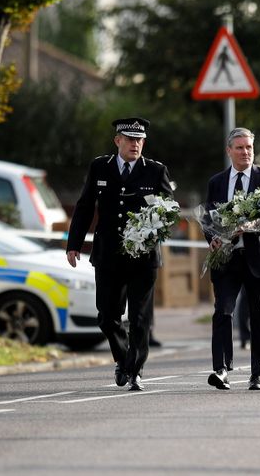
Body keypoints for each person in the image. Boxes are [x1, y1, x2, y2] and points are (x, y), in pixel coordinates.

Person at [66, 117, 174, 391]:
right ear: (118, 141)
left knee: (139, 318)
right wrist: (74, 243)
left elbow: (169, 210)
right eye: (130, 139)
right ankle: (123, 358)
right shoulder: (99, 166)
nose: (135, 145)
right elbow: (85, 206)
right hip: (108, 254)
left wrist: (155, 229)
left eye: (140, 140)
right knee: (106, 315)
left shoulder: (156, 170)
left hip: (143, 257)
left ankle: (135, 371)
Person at [204, 127, 260, 391]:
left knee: (259, 316)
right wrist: (213, 238)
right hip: (227, 258)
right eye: (239, 148)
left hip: (259, 256)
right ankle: (221, 370)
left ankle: (257, 374)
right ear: (229, 151)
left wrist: (250, 225)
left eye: (249, 147)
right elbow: (207, 219)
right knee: (222, 311)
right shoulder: (216, 182)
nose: (245, 152)